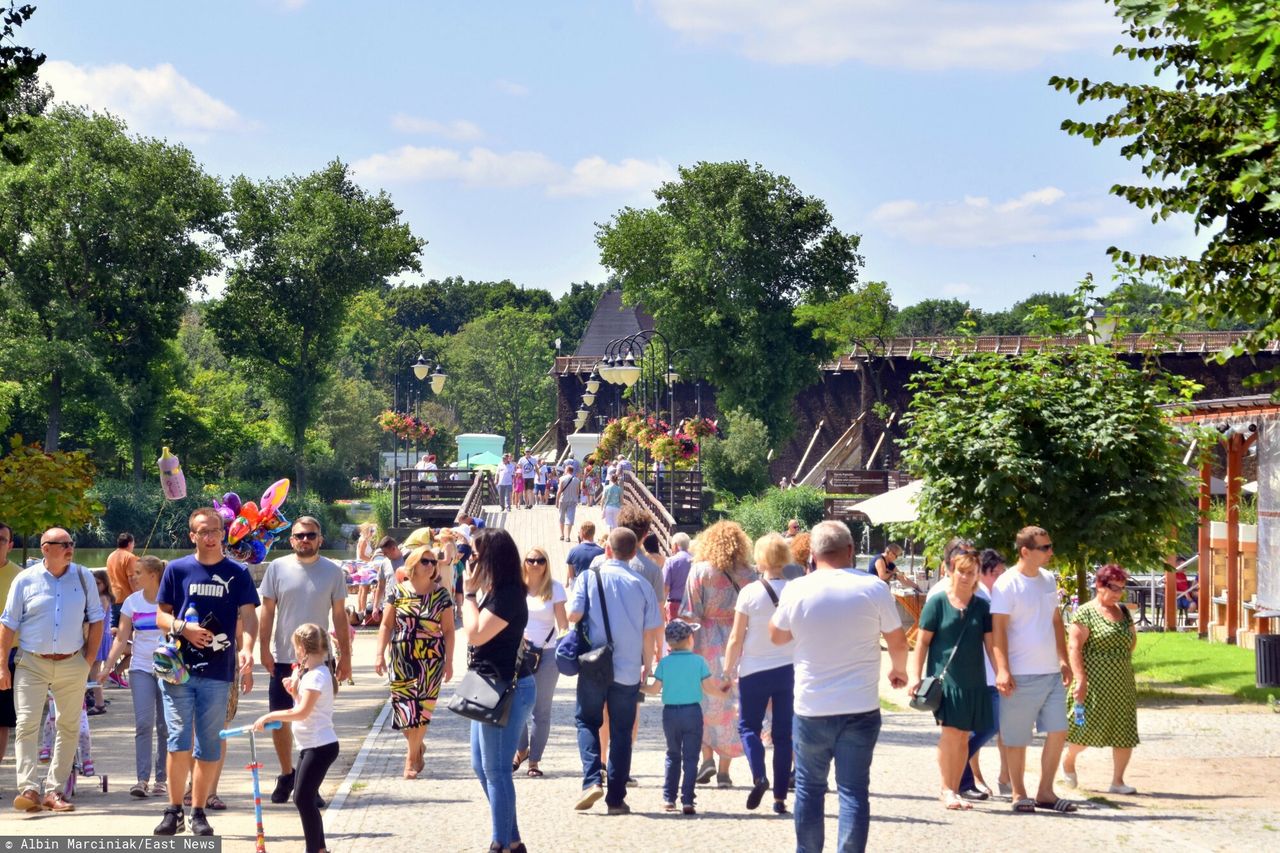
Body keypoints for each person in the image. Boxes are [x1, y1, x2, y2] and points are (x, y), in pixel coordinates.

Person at [769, 520, 909, 853]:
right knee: (853, 791)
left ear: (813, 554)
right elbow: (898, 640)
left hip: (812, 706)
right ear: (850, 550)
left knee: (809, 790)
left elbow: (776, 636)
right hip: (860, 705)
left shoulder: (797, 589)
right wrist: (899, 670)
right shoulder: (873, 588)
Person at [153, 508, 260, 837]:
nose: (210, 537)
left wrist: (248, 648)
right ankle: (173, 810)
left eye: (215, 531)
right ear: (193, 536)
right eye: (203, 531)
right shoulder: (177, 569)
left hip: (218, 671)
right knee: (177, 740)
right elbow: (160, 616)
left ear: (223, 534)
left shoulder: (237, 572)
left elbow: (249, 616)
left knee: (209, 744)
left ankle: (198, 811)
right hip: (178, 670)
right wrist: (183, 628)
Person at [0, 527, 105, 814]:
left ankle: (54, 791)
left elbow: (97, 619)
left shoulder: (83, 577)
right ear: (45, 548)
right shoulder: (24, 579)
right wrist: (2, 665)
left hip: (72, 662)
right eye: (63, 544)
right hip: (32, 663)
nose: (70, 548)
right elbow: (7, 623)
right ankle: (28, 789)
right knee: (26, 724)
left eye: (71, 543)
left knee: (68, 726)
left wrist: (88, 661)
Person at [568, 527, 662, 815]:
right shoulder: (642, 585)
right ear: (634, 553)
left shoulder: (588, 577)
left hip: (595, 663)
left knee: (587, 721)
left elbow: (573, 614)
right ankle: (616, 799)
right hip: (628, 668)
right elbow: (650, 632)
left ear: (607, 549)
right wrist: (648, 666)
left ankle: (592, 780)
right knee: (622, 731)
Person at [258, 517, 350, 805]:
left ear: (320, 538)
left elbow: (339, 616)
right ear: (291, 540)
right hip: (284, 657)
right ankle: (287, 774)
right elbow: (267, 611)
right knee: (279, 719)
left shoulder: (333, 571)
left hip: (320, 660)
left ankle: (309, 783)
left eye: (311, 535)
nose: (305, 540)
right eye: (299, 535)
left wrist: (345, 656)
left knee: (315, 718)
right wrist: (263, 648)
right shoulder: (277, 567)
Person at [990, 526, 1076, 814]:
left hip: (1050, 671)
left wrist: (1063, 659)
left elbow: (1055, 621)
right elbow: (998, 630)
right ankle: (1018, 792)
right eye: (1045, 547)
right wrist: (1002, 669)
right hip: (1020, 672)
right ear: (1025, 551)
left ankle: (1045, 792)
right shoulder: (1006, 583)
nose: (1051, 551)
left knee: (1059, 730)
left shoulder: (1048, 579)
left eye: (1050, 546)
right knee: (1017, 736)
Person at [461, 528, 536, 852]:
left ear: (492, 557)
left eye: (476, 554)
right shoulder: (495, 591)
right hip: (486, 684)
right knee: (482, 766)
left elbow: (475, 634)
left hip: (508, 687)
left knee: (497, 770)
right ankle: (513, 840)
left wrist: (468, 595)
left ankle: (500, 843)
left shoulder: (508, 595)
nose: (470, 560)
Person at [908, 549, 994, 811]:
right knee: (951, 734)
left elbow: (991, 646)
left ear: (978, 575)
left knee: (963, 736)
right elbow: (922, 642)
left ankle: (955, 790)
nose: (966, 577)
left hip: (974, 680)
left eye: (971, 572)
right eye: (961, 571)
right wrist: (915, 676)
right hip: (946, 681)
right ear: (951, 571)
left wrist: (1002, 672)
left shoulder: (982, 607)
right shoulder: (937, 603)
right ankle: (947, 789)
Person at [722, 532, 796, 813]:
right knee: (783, 735)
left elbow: (736, 637)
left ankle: (759, 775)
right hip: (788, 669)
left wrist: (727, 671)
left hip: (754, 669)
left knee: (748, 727)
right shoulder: (795, 591)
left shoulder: (750, 592)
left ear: (761, 559)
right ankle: (780, 798)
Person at [680, 520, 755, 787]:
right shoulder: (749, 574)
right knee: (731, 705)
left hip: (705, 641)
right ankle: (724, 772)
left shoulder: (700, 570)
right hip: (738, 641)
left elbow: (690, 612)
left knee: (703, 700)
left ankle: (707, 758)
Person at [254, 624, 340, 853]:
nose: (295, 652)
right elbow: (304, 708)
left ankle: (314, 850)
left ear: (302, 649)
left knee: (303, 798)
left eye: (295, 647)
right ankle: (319, 849)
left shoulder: (316, 677)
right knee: (304, 798)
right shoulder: (314, 674)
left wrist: (270, 715)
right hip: (311, 745)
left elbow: (301, 713)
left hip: (320, 746)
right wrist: (293, 692)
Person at [375, 545, 454, 778]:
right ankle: (417, 746)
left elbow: (449, 630)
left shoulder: (442, 595)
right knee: (404, 709)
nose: (430, 566)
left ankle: (410, 760)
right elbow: (386, 625)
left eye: (433, 562)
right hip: (401, 656)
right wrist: (379, 654)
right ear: (413, 565)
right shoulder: (398, 592)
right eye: (425, 561)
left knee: (423, 709)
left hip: (431, 658)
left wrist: (449, 661)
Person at [1062, 563, 1139, 795]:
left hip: (1122, 682)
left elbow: (1131, 642)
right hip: (1093, 683)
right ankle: (1068, 761)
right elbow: (1074, 647)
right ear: (1099, 585)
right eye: (1113, 588)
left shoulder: (1123, 612)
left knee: (1124, 732)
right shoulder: (1085, 612)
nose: (1118, 593)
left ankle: (1118, 781)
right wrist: (1080, 679)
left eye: (1121, 588)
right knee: (1084, 731)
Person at [641, 619, 727, 815]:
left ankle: (668, 799)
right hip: (692, 712)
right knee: (691, 758)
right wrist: (724, 694)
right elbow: (709, 689)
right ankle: (688, 800)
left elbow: (654, 690)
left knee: (672, 755)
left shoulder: (665, 663)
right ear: (690, 639)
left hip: (670, 713)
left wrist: (640, 687)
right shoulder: (699, 662)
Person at [102, 555, 169, 798]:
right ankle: (142, 779)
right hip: (140, 668)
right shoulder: (132, 602)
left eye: (138, 572)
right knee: (143, 724)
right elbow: (121, 639)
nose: (133, 576)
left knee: (165, 726)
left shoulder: (171, 601)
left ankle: (162, 779)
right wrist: (108, 667)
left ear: (153, 575)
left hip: (168, 669)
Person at [958, 548, 1009, 800]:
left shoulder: (991, 596)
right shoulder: (977, 597)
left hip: (991, 673)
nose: (999, 578)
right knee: (988, 726)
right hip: (977, 673)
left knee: (989, 726)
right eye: (996, 573)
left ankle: (957, 766)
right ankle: (958, 766)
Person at [514, 547, 567, 778]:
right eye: (531, 560)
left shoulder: (554, 588)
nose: (535, 564)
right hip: (519, 653)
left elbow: (563, 624)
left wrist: (566, 646)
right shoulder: (516, 588)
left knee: (541, 709)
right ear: (524, 563)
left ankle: (534, 760)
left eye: (540, 560)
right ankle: (521, 749)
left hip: (547, 653)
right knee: (515, 706)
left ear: (546, 563)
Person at [0, 522, 21, 772]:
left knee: (2, 718)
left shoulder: (21, 578)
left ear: (10, 545)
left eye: (1, 540)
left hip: (8, 655)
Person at [369, 536, 406, 625]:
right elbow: (380, 586)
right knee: (387, 629)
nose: (384, 555)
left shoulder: (408, 560)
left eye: (386, 553)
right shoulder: (384, 563)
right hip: (388, 604)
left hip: (406, 604)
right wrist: (375, 607)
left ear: (394, 548)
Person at [106, 532, 138, 628]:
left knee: (113, 629)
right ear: (129, 544)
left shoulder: (110, 556)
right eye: (133, 543)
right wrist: (137, 594)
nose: (133, 546)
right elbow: (132, 578)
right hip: (126, 599)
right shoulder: (130, 557)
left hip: (113, 598)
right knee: (128, 630)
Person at [662, 533, 693, 622]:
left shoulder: (670, 561)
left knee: (674, 630)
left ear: (675, 545)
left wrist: (661, 607)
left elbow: (665, 587)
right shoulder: (695, 561)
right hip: (691, 606)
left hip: (674, 606)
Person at [565, 521, 604, 587]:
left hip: (579, 585)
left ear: (582, 534)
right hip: (596, 586)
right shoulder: (601, 552)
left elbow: (571, 576)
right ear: (593, 533)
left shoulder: (573, 551)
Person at [556, 464, 581, 542]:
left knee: (561, 517)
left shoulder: (562, 478)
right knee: (570, 518)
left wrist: (556, 501)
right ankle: (568, 536)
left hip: (563, 500)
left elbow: (559, 491)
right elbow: (577, 492)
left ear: (566, 470)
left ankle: (561, 535)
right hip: (573, 500)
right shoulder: (577, 480)